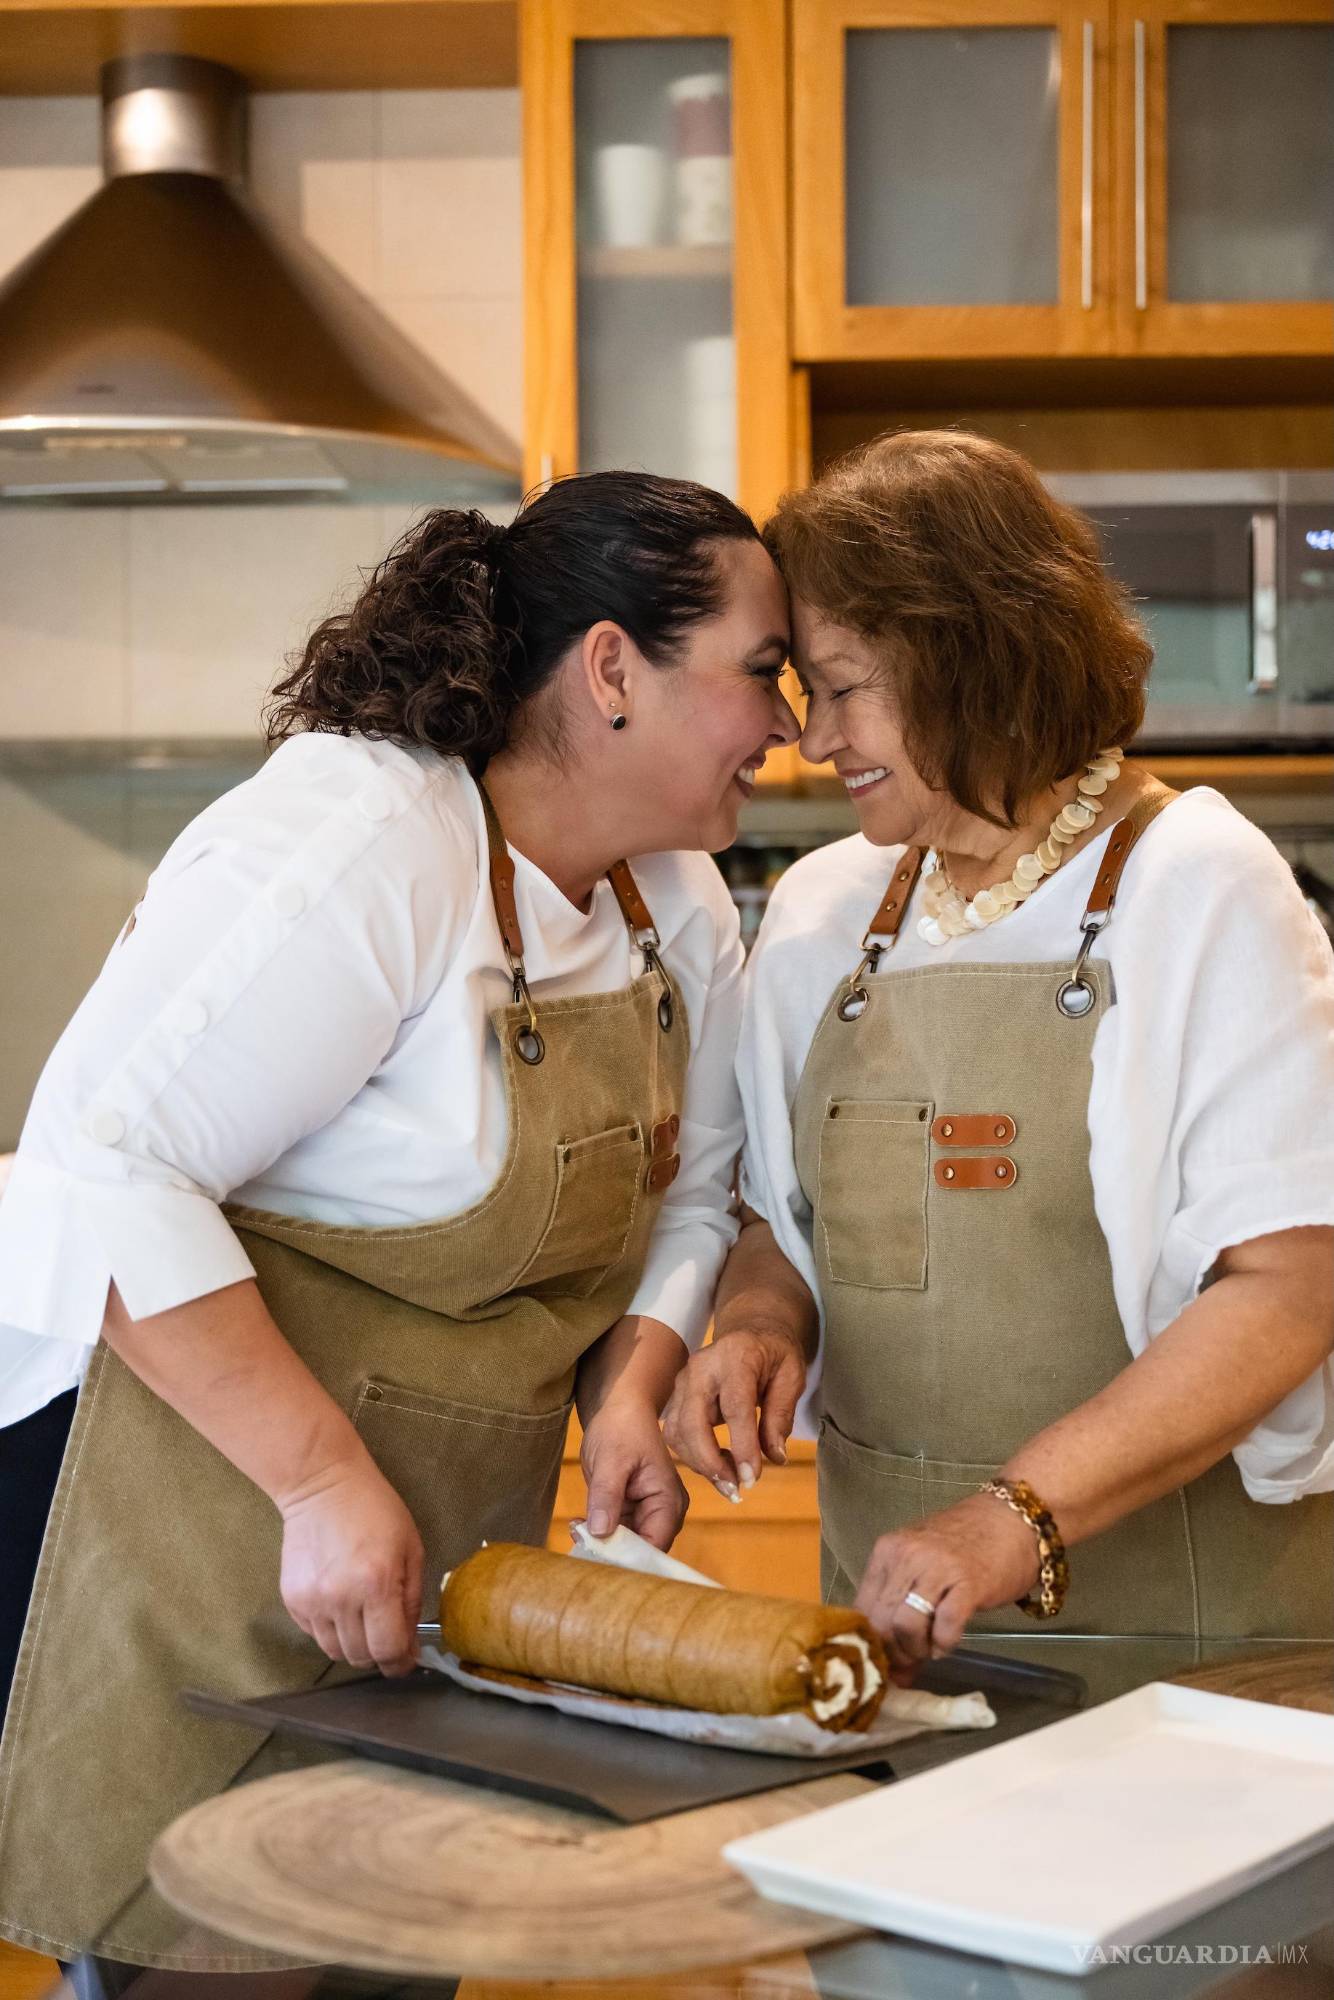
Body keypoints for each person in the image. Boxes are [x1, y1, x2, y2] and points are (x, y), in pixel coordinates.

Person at [0, 470, 799, 1965]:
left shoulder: (674, 901)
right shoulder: (366, 842)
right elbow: (99, 1168)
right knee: (187, 1953)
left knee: (382, 1949)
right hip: (169, 1504)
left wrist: (627, 1382)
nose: (790, 720)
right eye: (762, 672)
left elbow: (696, 1185)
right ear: (613, 668)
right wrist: (313, 1484)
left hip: (425, 1548)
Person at [664, 430, 1334, 1683]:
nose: (814, 740)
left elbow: (1286, 1288)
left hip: (1182, 1643)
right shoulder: (820, 913)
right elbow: (779, 1220)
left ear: (970, 661)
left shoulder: (1197, 886)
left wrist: (1007, 1517)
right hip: (894, 1637)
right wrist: (757, 1325)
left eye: (845, 686)